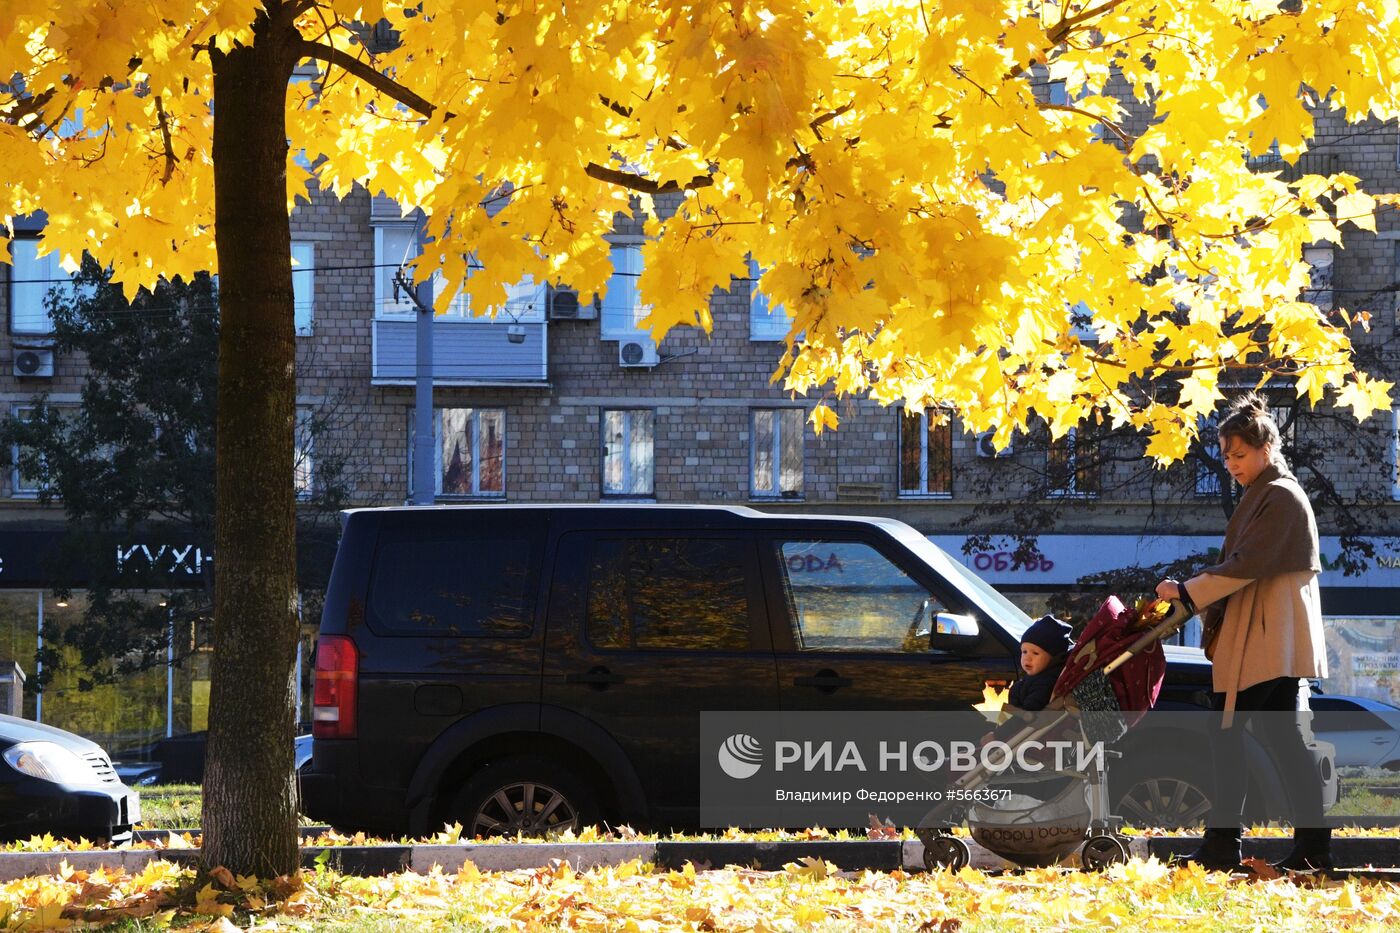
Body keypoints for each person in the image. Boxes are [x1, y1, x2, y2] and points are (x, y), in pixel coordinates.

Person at [1156, 394, 1329, 872]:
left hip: (1269, 641)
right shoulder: (1269, 493)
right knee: (1267, 741)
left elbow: (1246, 566)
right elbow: (1243, 566)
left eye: (1239, 455)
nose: (1231, 464)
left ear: (1266, 448)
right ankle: (1293, 845)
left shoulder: (1280, 497)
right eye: (1227, 456)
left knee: (1238, 735)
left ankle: (1234, 843)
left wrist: (1187, 592)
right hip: (1268, 639)